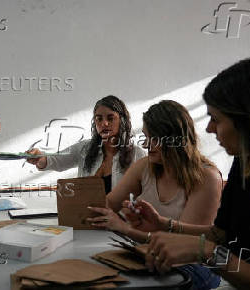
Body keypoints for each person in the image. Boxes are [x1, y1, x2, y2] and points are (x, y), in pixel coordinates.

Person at [116, 56, 250, 289]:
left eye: (216, 119)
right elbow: (221, 235)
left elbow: (216, 247)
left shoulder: (210, 174)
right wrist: (164, 225)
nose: (209, 128)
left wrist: (209, 252)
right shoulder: (245, 164)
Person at [87, 100, 223, 289]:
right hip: (149, 252)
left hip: (193, 265)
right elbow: (107, 205)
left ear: (174, 138)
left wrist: (126, 229)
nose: (145, 144)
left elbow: (184, 246)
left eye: (153, 138)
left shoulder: (207, 177)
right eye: (145, 136)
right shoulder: (146, 166)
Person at [27, 95, 146, 193]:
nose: (104, 123)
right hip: (87, 218)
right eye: (99, 119)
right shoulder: (84, 149)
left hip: (121, 220)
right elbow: (56, 160)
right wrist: (40, 158)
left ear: (122, 120)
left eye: (110, 118)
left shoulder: (137, 154)